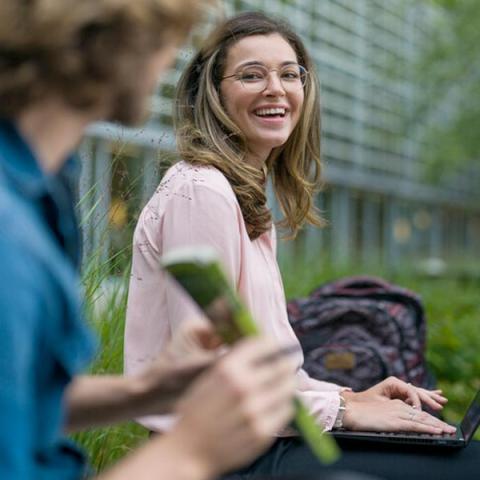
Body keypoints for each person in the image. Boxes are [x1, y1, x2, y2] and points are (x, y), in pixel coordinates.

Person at [124, 11, 480, 479]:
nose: (276, 88)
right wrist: (345, 414)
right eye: (252, 75)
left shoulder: (240, 193)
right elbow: (208, 375)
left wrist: (349, 397)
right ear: (212, 94)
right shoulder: (201, 191)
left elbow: (260, 365)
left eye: (289, 74)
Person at [0, 2, 299, 479]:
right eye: (171, 36)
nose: (172, 58)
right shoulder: (10, 236)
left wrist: (145, 390)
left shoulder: (37, 191)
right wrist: (190, 452)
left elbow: (20, 402)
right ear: (111, 40)